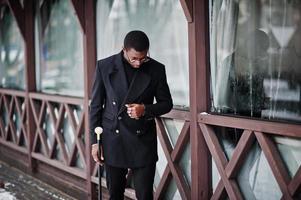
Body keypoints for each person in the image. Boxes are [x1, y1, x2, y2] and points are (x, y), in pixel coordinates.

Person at [90, 30, 173, 200]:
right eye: (134, 58)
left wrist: (145, 109)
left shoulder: (156, 69)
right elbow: (96, 107)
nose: (138, 63)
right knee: (115, 195)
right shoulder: (105, 66)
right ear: (124, 50)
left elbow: (167, 104)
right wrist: (94, 142)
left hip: (142, 141)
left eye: (143, 58)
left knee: (145, 196)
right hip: (113, 139)